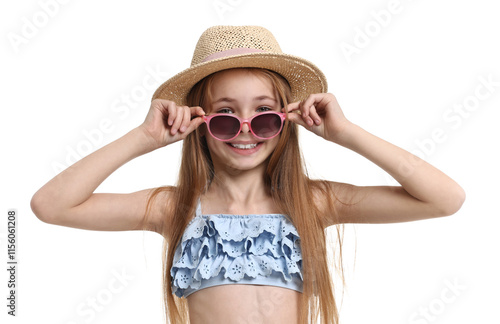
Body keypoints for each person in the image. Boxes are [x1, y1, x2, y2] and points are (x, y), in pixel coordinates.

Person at [31, 25, 465, 324]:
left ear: (285, 120)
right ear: (200, 123)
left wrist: (346, 134)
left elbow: (445, 198)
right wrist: (143, 138)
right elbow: (50, 205)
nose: (244, 130)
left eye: (263, 115)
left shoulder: (312, 203)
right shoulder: (174, 208)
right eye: (224, 116)